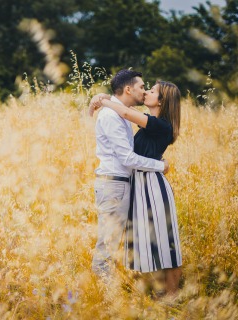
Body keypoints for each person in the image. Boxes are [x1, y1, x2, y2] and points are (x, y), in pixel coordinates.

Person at [89, 79, 182, 298]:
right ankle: (160, 293)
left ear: (162, 100)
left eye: (152, 91)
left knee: (166, 240)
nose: (147, 92)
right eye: (146, 88)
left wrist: (104, 100)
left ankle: (172, 297)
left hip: (153, 186)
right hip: (140, 186)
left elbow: (126, 113)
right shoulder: (150, 122)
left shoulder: (160, 124)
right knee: (151, 240)